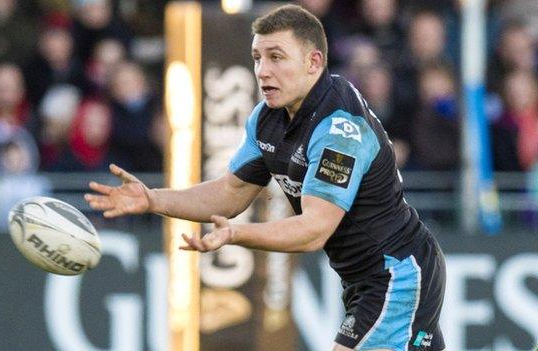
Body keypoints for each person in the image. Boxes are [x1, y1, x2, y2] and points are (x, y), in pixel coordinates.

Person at [85, 5, 446, 351]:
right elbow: (230, 193)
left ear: (313, 62)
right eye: (258, 58)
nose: (262, 71)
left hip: (397, 273)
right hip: (366, 279)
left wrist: (236, 234)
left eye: (276, 57)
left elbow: (313, 229)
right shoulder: (267, 118)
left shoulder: (339, 127)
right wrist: (152, 199)